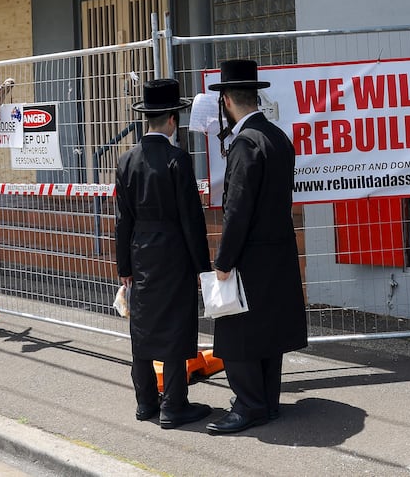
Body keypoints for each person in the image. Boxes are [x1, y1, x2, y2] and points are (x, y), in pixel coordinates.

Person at [205, 59, 308, 435]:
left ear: (228, 100)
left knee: (239, 333)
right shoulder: (278, 136)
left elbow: (238, 209)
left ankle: (249, 406)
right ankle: (267, 402)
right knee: (269, 330)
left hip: (250, 254)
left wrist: (224, 259)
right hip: (278, 248)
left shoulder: (246, 144)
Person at [115, 78, 213, 429]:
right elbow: (191, 218)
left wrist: (123, 266)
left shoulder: (126, 161)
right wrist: (203, 268)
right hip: (174, 252)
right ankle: (174, 404)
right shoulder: (178, 160)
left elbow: (121, 220)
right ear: (172, 119)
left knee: (142, 326)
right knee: (175, 324)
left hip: (140, 252)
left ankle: (145, 402)